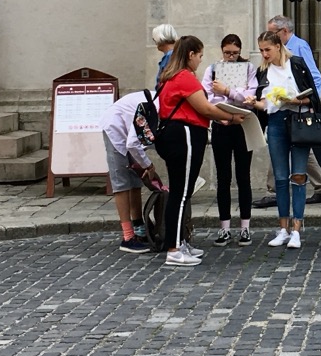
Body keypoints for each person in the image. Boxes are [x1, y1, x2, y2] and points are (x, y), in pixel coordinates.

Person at [155, 36, 240, 267]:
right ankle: (174, 249)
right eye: (200, 55)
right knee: (180, 193)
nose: (201, 60)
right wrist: (232, 117)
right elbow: (205, 108)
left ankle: (179, 241)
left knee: (182, 192)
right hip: (183, 135)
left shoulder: (171, 75)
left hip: (178, 135)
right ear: (190, 54)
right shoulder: (184, 77)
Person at [254, 15, 321, 207]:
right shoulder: (267, 64)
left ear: (283, 32)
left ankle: (274, 192)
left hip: (299, 110)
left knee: (295, 150)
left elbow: (314, 77)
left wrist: (309, 102)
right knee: (297, 150)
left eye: (272, 33)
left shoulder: (298, 47)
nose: (269, 38)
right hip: (279, 113)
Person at [251, 27, 320, 249]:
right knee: (280, 177)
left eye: (267, 49)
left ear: (278, 46)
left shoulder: (296, 64)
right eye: (261, 50)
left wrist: (295, 101)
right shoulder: (263, 72)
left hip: (298, 121)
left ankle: (297, 228)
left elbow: (313, 97)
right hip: (276, 124)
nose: (264, 54)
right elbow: (265, 104)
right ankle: (283, 228)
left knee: (298, 175)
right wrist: (253, 103)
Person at [204, 33, 256, 246]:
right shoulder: (212, 69)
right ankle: (224, 228)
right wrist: (221, 112)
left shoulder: (248, 68)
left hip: (242, 125)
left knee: (243, 176)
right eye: (227, 53)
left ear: (240, 51)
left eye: (235, 53)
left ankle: (245, 227)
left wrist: (227, 91)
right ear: (222, 51)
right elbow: (208, 97)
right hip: (221, 126)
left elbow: (249, 97)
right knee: (223, 177)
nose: (231, 57)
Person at [101, 90, 160, 252]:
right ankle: (127, 237)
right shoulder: (153, 108)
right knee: (121, 182)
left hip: (129, 130)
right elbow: (133, 143)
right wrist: (148, 165)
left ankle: (139, 227)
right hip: (115, 128)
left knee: (135, 179)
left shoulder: (166, 104)